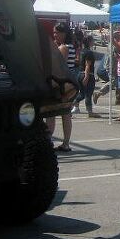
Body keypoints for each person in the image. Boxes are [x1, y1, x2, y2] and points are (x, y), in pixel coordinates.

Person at [47, 22, 74, 151]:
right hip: (68, 84)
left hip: (61, 84)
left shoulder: (63, 47)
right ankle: (66, 143)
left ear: (63, 33)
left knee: (51, 112)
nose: (54, 35)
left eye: (56, 32)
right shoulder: (70, 46)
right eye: (53, 32)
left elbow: (57, 65)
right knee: (65, 114)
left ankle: (48, 141)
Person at [72, 35, 98, 117]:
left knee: (82, 93)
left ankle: (73, 105)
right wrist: (87, 76)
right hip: (87, 74)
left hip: (80, 74)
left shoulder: (82, 51)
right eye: (93, 40)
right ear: (89, 42)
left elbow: (79, 61)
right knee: (88, 94)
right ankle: (90, 112)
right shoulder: (89, 52)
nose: (94, 42)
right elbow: (88, 65)